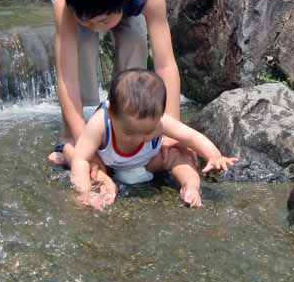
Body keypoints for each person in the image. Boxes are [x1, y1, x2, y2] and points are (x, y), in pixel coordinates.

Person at [41, 0, 181, 169]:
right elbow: (67, 77)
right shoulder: (67, 1)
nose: (97, 27)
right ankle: (69, 134)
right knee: (83, 45)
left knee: (134, 38)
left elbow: (166, 65)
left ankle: (127, 113)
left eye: (104, 21)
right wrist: (84, 143)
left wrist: (172, 132)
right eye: (86, 19)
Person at [68, 69, 236, 209]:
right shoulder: (100, 122)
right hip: (109, 164)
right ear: (111, 113)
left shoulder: (161, 122)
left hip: (147, 162)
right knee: (76, 154)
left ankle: (191, 187)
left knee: (179, 155)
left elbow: (191, 136)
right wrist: (84, 193)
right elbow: (81, 159)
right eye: (129, 132)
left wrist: (214, 155)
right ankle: (99, 177)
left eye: (148, 132)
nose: (139, 139)